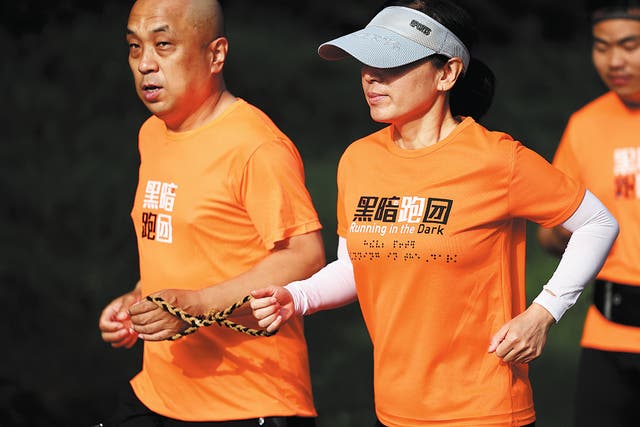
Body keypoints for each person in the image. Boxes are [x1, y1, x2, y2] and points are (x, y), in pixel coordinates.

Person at [249, 1, 620, 426]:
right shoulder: (358, 159)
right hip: (393, 410)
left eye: (392, 63)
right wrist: (296, 297)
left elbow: (597, 222)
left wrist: (544, 312)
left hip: (484, 411)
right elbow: (357, 265)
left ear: (447, 73)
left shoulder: (497, 159)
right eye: (367, 62)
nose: (372, 76)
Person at [97, 0, 325, 425]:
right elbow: (187, 244)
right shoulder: (153, 135)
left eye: (164, 44)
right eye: (134, 47)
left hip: (248, 400)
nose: (145, 63)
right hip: (158, 393)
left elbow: (305, 254)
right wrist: (138, 300)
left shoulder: (256, 146)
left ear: (216, 54)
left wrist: (197, 304)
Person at [536, 1, 640, 425]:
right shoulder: (585, 124)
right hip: (607, 332)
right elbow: (548, 234)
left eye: (630, 46)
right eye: (601, 47)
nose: (615, 60)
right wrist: (572, 230)